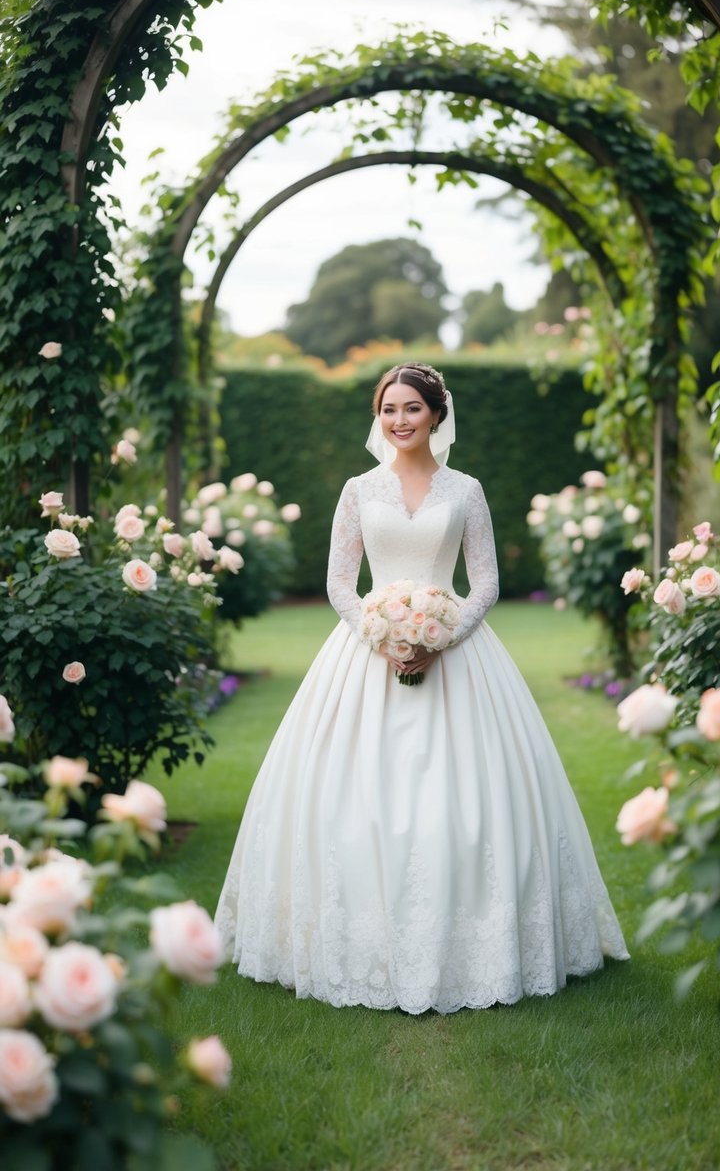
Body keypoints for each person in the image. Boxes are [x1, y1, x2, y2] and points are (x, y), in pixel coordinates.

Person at [214, 363, 628, 1012]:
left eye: (411, 408)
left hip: (456, 658)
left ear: (436, 414)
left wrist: (440, 639)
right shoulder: (358, 490)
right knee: (346, 802)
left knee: (469, 803)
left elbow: (484, 582)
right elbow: (339, 584)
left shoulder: (465, 491)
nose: (399, 420)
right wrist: (382, 638)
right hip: (364, 658)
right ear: (378, 418)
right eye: (388, 409)